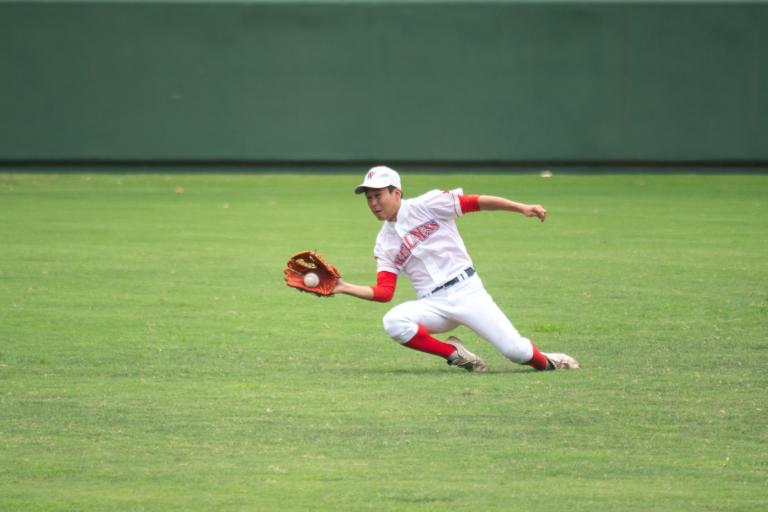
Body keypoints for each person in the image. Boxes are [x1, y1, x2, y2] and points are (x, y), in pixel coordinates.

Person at [332, 165, 579, 372]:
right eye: (369, 198)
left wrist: (521, 207)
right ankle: (454, 353)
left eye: (378, 195)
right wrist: (343, 287)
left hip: (467, 291)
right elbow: (385, 292)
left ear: (396, 193)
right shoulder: (384, 243)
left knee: (516, 352)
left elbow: (475, 202)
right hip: (433, 304)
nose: (374, 203)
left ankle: (548, 362)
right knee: (394, 322)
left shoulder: (427, 205)